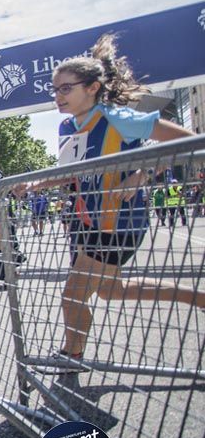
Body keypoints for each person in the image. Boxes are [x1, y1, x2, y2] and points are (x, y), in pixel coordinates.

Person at [15, 33, 203, 363]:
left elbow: (187, 141)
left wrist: (142, 173)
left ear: (92, 87)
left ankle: (71, 356)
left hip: (120, 222)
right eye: (55, 90)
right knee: (111, 291)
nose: (58, 96)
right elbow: (72, 173)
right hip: (90, 224)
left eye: (66, 88)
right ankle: (199, 298)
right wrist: (34, 185)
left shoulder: (117, 118)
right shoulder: (66, 127)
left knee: (73, 294)